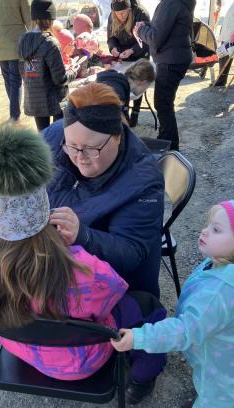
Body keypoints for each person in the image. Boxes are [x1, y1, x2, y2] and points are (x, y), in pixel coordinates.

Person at [0, 125, 166, 402]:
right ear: (46, 206)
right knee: (148, 305)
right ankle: (142, 378)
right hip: (81, 363)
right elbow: (116, 291)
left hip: (17, 346)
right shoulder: (85, 269)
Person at [111, 200, 234, 408]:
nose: (205, 231)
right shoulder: (232, 268)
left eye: (217, 230)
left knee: (216, 401)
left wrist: (139, 337)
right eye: (209, 224)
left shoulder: (221, 294)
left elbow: (185, 330)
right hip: (226, 351)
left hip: (222, 363)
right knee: (212, 394)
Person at [43, 82, 164, 299]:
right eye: (71, 146)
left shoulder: (142, 182)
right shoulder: (57, 136)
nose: (79, 156)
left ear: (117, 137)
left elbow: (130, 253)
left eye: (91, 149)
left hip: (109, 289)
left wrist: (83, 235)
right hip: (54, 266)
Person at [134, 0, 195, 150]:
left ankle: (170, 146)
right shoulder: (178, 3)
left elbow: (155, 38)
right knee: (164, 103)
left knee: (163, 104)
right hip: (177, 57)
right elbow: (165, 28)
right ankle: (167, 141)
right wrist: (146, 26)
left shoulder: (170, 3)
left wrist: (141, 30)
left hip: (171, 60)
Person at [18, 0, 79, 131]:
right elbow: (60, 79)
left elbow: (22, 70)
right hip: (54, 99)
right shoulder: (50, 42)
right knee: (58, 137)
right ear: (51, 19)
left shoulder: (23, 40)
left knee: (44, 137)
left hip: (34, 98)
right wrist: (73, 71)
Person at [0, 0, 30, 122]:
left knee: (8, 79)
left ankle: (14, 111)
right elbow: (28, 16)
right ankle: (14, 114)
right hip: (16, 39)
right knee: (14, 80)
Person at [107, 0, 150, 127]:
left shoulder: (141, 13)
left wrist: (133, 50)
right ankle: (124, 110)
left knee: (138, 80)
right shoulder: (112, 16)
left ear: (129, 9)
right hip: (122, 54)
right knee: (121, 81)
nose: (121, 16)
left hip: (140, 52)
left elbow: (148, 40)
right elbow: (111, 38)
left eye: (123, 12)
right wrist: (113, 48)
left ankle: (136, 111)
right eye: (117, 13)